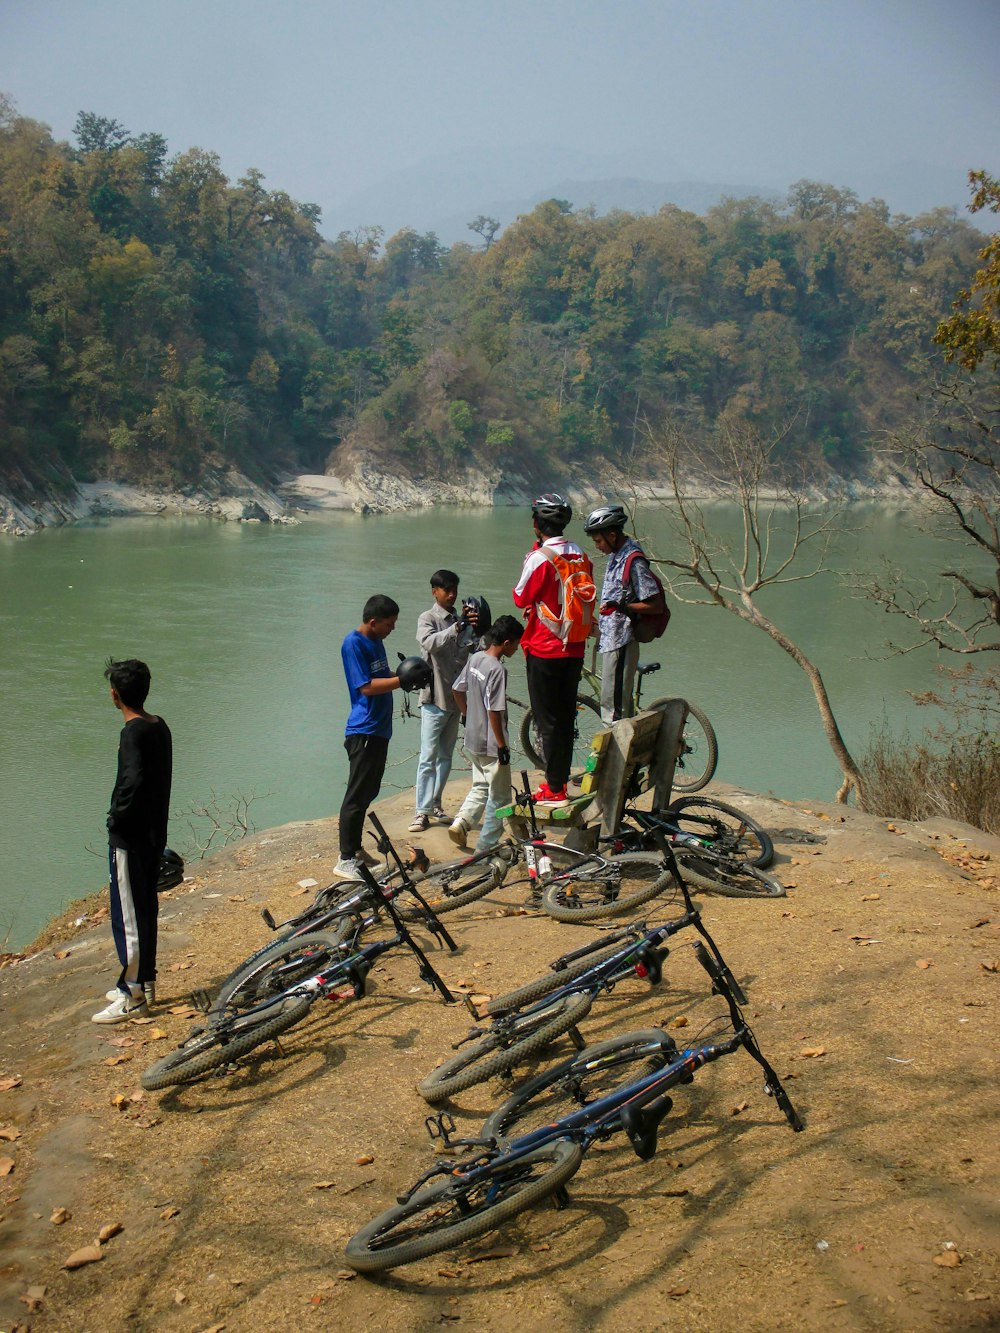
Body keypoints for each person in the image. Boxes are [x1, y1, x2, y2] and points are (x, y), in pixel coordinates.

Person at [92, 659, 172, 1024]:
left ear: (115, 695)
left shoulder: (132, 733)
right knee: (145, 909)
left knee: (127, 915)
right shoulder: (159, 726)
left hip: (131, 838)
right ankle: (144, 979)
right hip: (154, 835)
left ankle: (133, 995)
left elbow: (132, 781)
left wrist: (116, 819)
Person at [512, 492, 595, 806]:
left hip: (545, 649)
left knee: (547, 722)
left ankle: (554, 789)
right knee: (564, 719)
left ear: (537, 524)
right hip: (574, 647)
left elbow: (520, 596)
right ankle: (557, 784)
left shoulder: (539, 557)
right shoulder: (581, 554)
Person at [335, 594, 402, 880]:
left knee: (367, 794)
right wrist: (403, 681)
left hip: (379, 729)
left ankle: (357, 850)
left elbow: (381, 674)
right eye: (389, 624)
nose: (392, 629)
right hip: (364, 729)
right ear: (373, 622)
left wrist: (403, 673)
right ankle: (345, 859)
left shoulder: (377, 641)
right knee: (356, 796)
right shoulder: (353, 643)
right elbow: (365, 687)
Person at [584, 504, 666, 724]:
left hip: (621, 642)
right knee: (619, 705)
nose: (598, 546)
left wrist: (623, 608)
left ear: (612, 535)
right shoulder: (617, 555)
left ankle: (615, 756)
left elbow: (655, 604)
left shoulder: (633, 561)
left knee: (613, 709)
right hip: (611, 639)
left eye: (599, 541)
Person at [409, 570, 478, 833]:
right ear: (434, 591)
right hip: (433, 696)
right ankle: (421, 812)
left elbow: (475, 649)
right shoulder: (427, 619)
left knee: (445, 757)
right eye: (446, 590)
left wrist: (476, 626)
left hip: (455, 699)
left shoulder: (461, 621)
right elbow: (429, 643)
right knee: (428, 756)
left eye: (454, 590)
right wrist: (456, 628)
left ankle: (435, 804)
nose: (451, 594)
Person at [448, 615, 524, 851]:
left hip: (472, 738)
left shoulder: (476, 659)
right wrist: (502, 746)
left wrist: (467, 714)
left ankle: (462, 822)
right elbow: (494, 710)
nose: (517, 648)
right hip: (491, 743)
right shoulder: (497, 669)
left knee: (481, 784)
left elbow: (457, 690)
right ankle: (486, 846)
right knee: (500, 798)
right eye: (517, 644)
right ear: (507, 643)